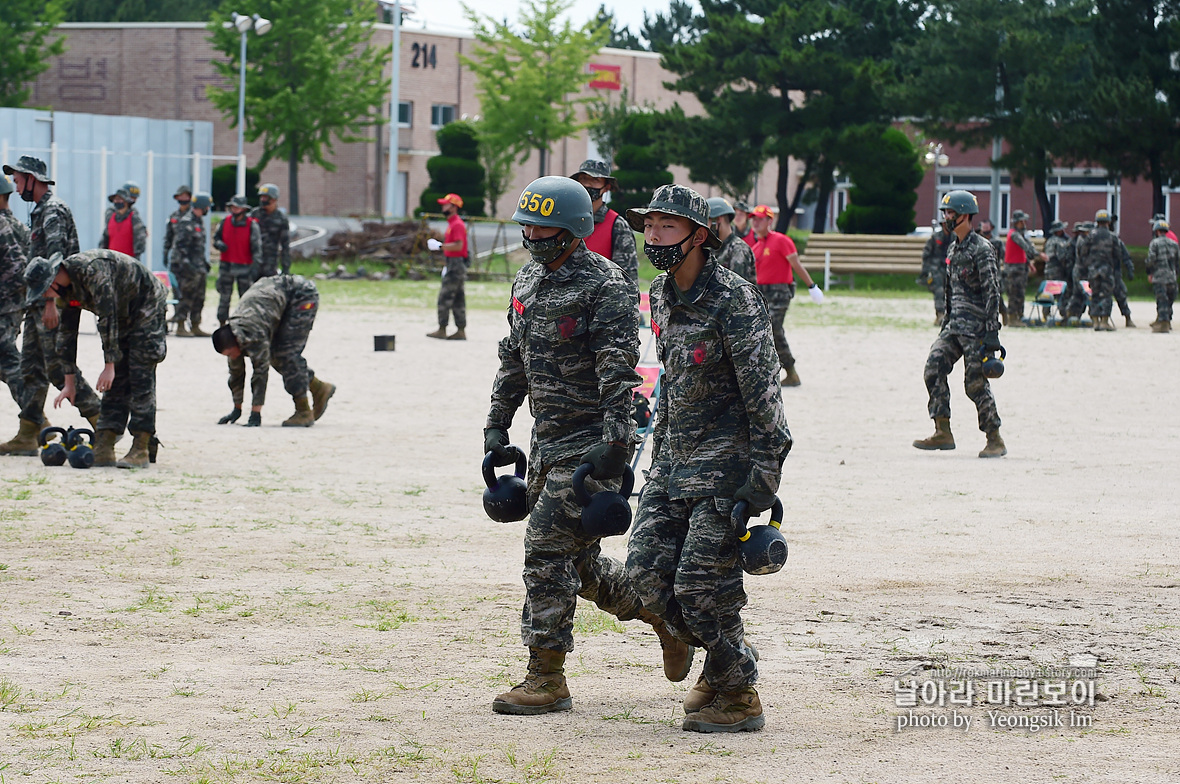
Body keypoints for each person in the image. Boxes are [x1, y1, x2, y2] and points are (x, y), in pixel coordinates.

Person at [483, 176, 686, 716]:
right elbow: (513, 359)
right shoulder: (526, 280)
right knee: (581, 567)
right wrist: (496, 426)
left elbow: (618, 374)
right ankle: (660, 612)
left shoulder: (607, 286)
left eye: (543, 225)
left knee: (545, 550)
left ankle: (545, 676)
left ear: (573, 229)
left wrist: (615, 448)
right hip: (545, 442)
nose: (531, 234)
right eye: (526, 223)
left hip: (592, 445)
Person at [624, 184, 791, 734]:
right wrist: (650, 454)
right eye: (649, 227)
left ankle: (739, 691)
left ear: (700, 235)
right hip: (672, 461)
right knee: (645, 578)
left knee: (700, 586)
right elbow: (671, 378)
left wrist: (764, 480)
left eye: (666, 228)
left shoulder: (736, 300)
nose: (653, 237)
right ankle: (720, 664)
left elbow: (764, 393)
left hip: (727, 466)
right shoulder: (659, 292)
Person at [25, 250, 167, 468]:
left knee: (139, 373)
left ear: (53, 280)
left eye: (44, 292)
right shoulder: (65, 290)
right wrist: (69, 383)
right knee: (115, 381)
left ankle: (141, 445)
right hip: (120, 312)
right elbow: (67, 334)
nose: (45, 298)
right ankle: (106, 441)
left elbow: (107, 318)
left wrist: (109, 365)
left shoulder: (93, 271)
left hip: (145, 305)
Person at [0, 156, 101, 457]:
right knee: (31, 368)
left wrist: (49, 303)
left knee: (57, 366)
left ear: (32, 178)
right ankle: (28, 433)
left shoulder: (53, 211)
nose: (16, 189)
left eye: (18, 181)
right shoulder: (40, 211)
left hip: (52, 299)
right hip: (37, 301)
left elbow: (56, 261)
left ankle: (103, 422)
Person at [913, 190, 1006, 458]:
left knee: (975, 385)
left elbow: (992, 292)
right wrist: (945, 322)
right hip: (954, 326)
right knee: (933, 367)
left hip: (976, 329)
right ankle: (943, 431)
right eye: (945, 212)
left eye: (950, 213)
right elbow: (950, 290)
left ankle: (994, 438)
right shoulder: (953, 247)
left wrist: (992, 335)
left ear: (965, 215)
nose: (946, 217)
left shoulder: (982, 249)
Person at [211, 274, 335, 428]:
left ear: (236, 342)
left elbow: (260, 372)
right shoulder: (234, 335)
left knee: (286, 354)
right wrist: (237, 409)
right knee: (275, 355)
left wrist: (255, 413)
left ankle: (303, 411)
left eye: (230, 354)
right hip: (278, 300)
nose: (231, 357)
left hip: (301, 295)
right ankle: (319, 388)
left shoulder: (253, 332)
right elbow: (236, 373)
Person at [749, 204, 823, 387]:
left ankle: (790, 370)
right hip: (762, 293)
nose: (755, 222)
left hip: (780, 292)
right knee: (762, 331)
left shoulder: (781, 241)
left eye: (759, 218)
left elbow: (796, 265)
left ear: (769, 221)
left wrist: (811, 286)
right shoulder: (756, 248)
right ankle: (771, 371)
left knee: (773, 326)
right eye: (754, 218)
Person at [568, 159, 639, 283]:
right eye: (584, 178)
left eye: (595, 180)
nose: (588, 185)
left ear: (607, 187)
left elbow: (627, 279)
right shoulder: (564, 219)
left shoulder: (617, 225)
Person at [0, 174, 28, 409]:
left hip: (4, 306)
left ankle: (34, 418)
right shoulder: (18, 225)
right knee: (6, 363)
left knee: (8, 361)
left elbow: (17, 267)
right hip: (15, 306)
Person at [213, 195, 262, 325]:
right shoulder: (225, 222)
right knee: (224, 296)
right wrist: (219, 244)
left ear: (244, 209)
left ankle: (244, 322)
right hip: (226, 265)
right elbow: (216, 238)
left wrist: (255, 268)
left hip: (245, 266)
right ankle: (222, 322)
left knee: (245, 297)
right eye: (233, 207)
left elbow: (257, 248)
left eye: (237, 207)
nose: (235, 210)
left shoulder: (252, 225)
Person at [169, 192, 213, 337]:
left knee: (199, 297)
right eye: (207, 206)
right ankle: (181, 326)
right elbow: (180, 247)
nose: (208, 209)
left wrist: (204, 264)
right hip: (187, 268)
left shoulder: (198, 221)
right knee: (186, 296)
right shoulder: (186, 222)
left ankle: (195, 325)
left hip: (198, 266)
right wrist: (187, 266)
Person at [426, 193, 469, 340]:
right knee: (457, 298)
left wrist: (440, 246)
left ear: (453, 206)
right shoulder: (453, 223)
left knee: (445, 297)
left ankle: (442, 328)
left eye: (445, 204)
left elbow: (459, 246)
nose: (443, 207)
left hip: (455, 263)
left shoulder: (456, 224)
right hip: (454, 263)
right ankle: (460, 330)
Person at [1002, 210, 1046, 326]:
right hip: (1013, 269)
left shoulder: (1019, 234)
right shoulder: (1014, 234)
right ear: (1018, 222)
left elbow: (1021, 251)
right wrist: (1038, 254)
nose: (1024, 223)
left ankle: (1018, 316)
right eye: (1022, 221)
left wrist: (1028, 263)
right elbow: (1025, 246)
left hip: (1020, 267)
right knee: (1014, 293)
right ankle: (1012, 317)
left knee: (1020, 293)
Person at [1081, 210, 1120, 331]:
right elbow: (1117, 255)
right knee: (1106, 295)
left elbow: (1083, 252)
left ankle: (1095, 321)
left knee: (1095, 295)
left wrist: (1088, 265)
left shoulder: (1090, 236)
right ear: (1108, 222)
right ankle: (1104, 321)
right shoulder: (1112, 236)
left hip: (1093, 270)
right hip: (1107, 270)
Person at [707, 197, 756, 284]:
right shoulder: (713, 248)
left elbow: (737, 291)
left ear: (718, 220)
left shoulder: (738, 249)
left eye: (708, 221)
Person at [250, 183, 291, 278]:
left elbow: (285, 245)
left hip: (270, 263)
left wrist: (286, 268)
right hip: (253, 260)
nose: (262, 200)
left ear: (273, 199)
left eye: (265, 197)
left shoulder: (281, 218)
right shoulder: (254, 214)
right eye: (261, 197)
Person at [1146, 219, 1179, 333]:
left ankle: (1163, 323)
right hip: (1171, 277)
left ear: (1157, 231)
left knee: (1162, 300)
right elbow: (1177, 262)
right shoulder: (1174, 244)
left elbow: (1151, 260)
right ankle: (1167, 321)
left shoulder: (1154, 243)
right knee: (1169, 300)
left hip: (1159, 277)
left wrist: (1149, 273)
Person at [98, 188, 147, 260]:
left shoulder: (134, 217)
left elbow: (140, 238)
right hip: (112, 260)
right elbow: (105, 238)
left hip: (129, 261)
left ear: (126, 202)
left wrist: (136, 259)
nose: (117, 202)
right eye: (115, 200)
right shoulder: (110, 217)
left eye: (119, 199)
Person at [1108, 214, 1137, 328]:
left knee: (1121, 296)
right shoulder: (1097, 240)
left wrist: (1130, 269)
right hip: (1104, 273)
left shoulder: (1117, 242)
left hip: (1115, 273)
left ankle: (1127, 317)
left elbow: (1125, 257)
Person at [1062, 222, 1092, 325]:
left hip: (1078, 271)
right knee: (1079, 294)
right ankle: (1071, 314)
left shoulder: (1079, 240)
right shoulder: (1082, 241)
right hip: (1080, 271)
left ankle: (1073, 314)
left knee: (1078, 295)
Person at [921, 219, 950, 325]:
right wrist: (926, 270)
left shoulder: (955, 238)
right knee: (939, 291)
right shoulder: (935, 237)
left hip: (950, 269)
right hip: (936, 268)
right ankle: (940, 314)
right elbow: (926, 254)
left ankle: (948, 316)